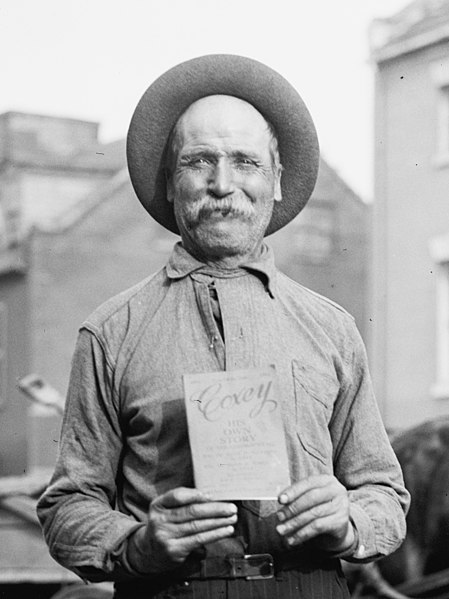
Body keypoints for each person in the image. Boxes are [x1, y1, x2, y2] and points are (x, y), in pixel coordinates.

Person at [37, 54, 410, 599]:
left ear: (277, 181)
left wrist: (348, 518)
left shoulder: (331, 329)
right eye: (199, 161)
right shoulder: (111, 332)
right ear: (170, 182)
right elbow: (68, 506)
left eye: (245, 162)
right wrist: (139, 542)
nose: (222, 183)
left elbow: (384, 493)